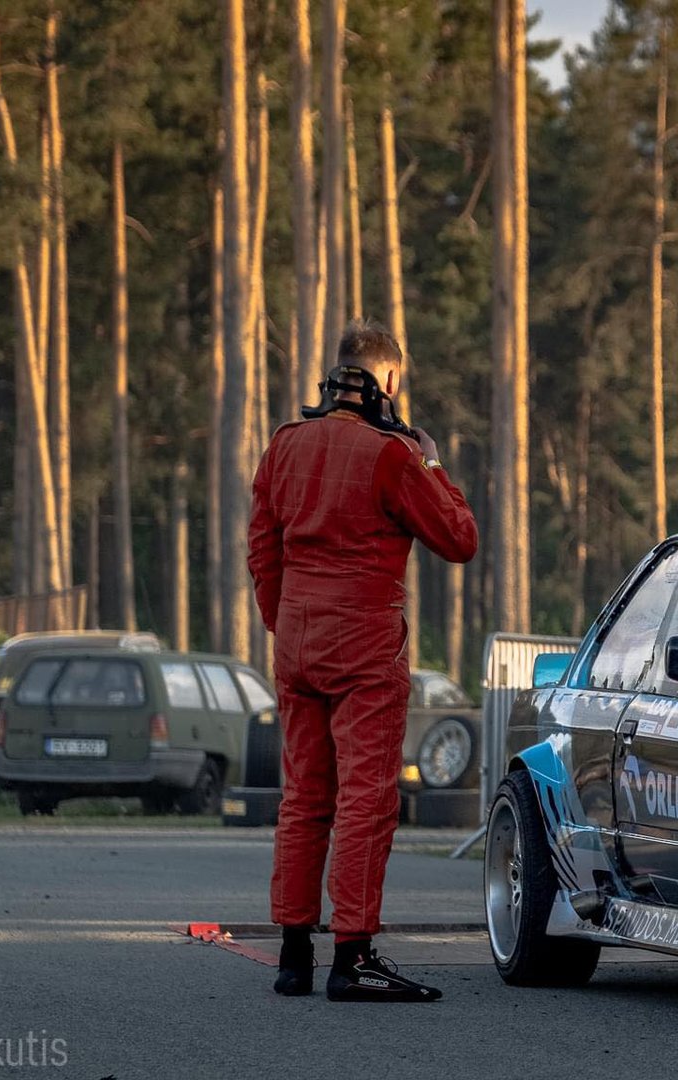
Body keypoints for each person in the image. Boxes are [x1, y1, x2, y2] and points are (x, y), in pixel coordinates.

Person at [247, 321, 480, 1003]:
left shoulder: (284, 445)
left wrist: (286, 624)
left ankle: (294, 955)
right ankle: (353, 955)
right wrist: (432, 462)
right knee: (365, 800)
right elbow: (458, 539)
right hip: (366, 648)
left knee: (303, 798)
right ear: (389, 381)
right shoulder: (392, 454)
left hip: (297, 642)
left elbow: (263, 548)